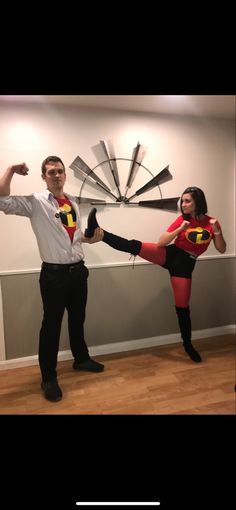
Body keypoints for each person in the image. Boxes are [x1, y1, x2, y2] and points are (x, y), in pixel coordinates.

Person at [0, 157, 104, 402]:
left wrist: (91, 238)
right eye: (51, 172)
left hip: (78, 271)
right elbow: (2, 200)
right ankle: (48, 377)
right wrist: (11, 171)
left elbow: (75, 238)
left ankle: (81, 359)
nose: (56, 175)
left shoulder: (72, 203)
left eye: (59, 171)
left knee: (78, 319)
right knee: (51, 327)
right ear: (44, 177)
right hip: (54, 275)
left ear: (65, 175)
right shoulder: (36, 203)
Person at [85, 187, 226, 363]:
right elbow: (161, 242)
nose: (183, 204)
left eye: (187, 200)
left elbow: (221, 249)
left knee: (182, 309)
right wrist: (180, 228)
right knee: (133, 245)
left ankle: (188, 346)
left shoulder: (211, 223)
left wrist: (217, 231)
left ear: (198, 201)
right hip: (171, 254)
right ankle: (98, 231)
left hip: (185, 265)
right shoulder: (182, 219)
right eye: (182, 201)